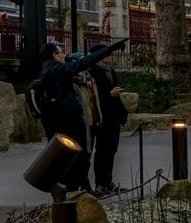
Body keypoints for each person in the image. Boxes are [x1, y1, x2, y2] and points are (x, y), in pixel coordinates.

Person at [37, 37, 126, 192]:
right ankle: (70, 191)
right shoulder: (57, 70)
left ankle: (80, 189)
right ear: (54, 55)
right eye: (60, 52)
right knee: (78, 157)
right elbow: (82, 63)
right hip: (68, 123)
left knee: (76, 157)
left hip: (63, 122)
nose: (64, 55)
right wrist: (109, 49)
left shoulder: (51, 71)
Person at [88, 48, 130, 194]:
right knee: (102, 151)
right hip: (102, 117)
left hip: (114, 116)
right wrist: (109, 94)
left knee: (111, 150)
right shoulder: (93, 71)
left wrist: (122, 111)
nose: (110, 56)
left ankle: (108, 181)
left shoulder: (110, 70)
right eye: (106, 53)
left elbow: (115, 95)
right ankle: (100, 183)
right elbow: (94, 96)